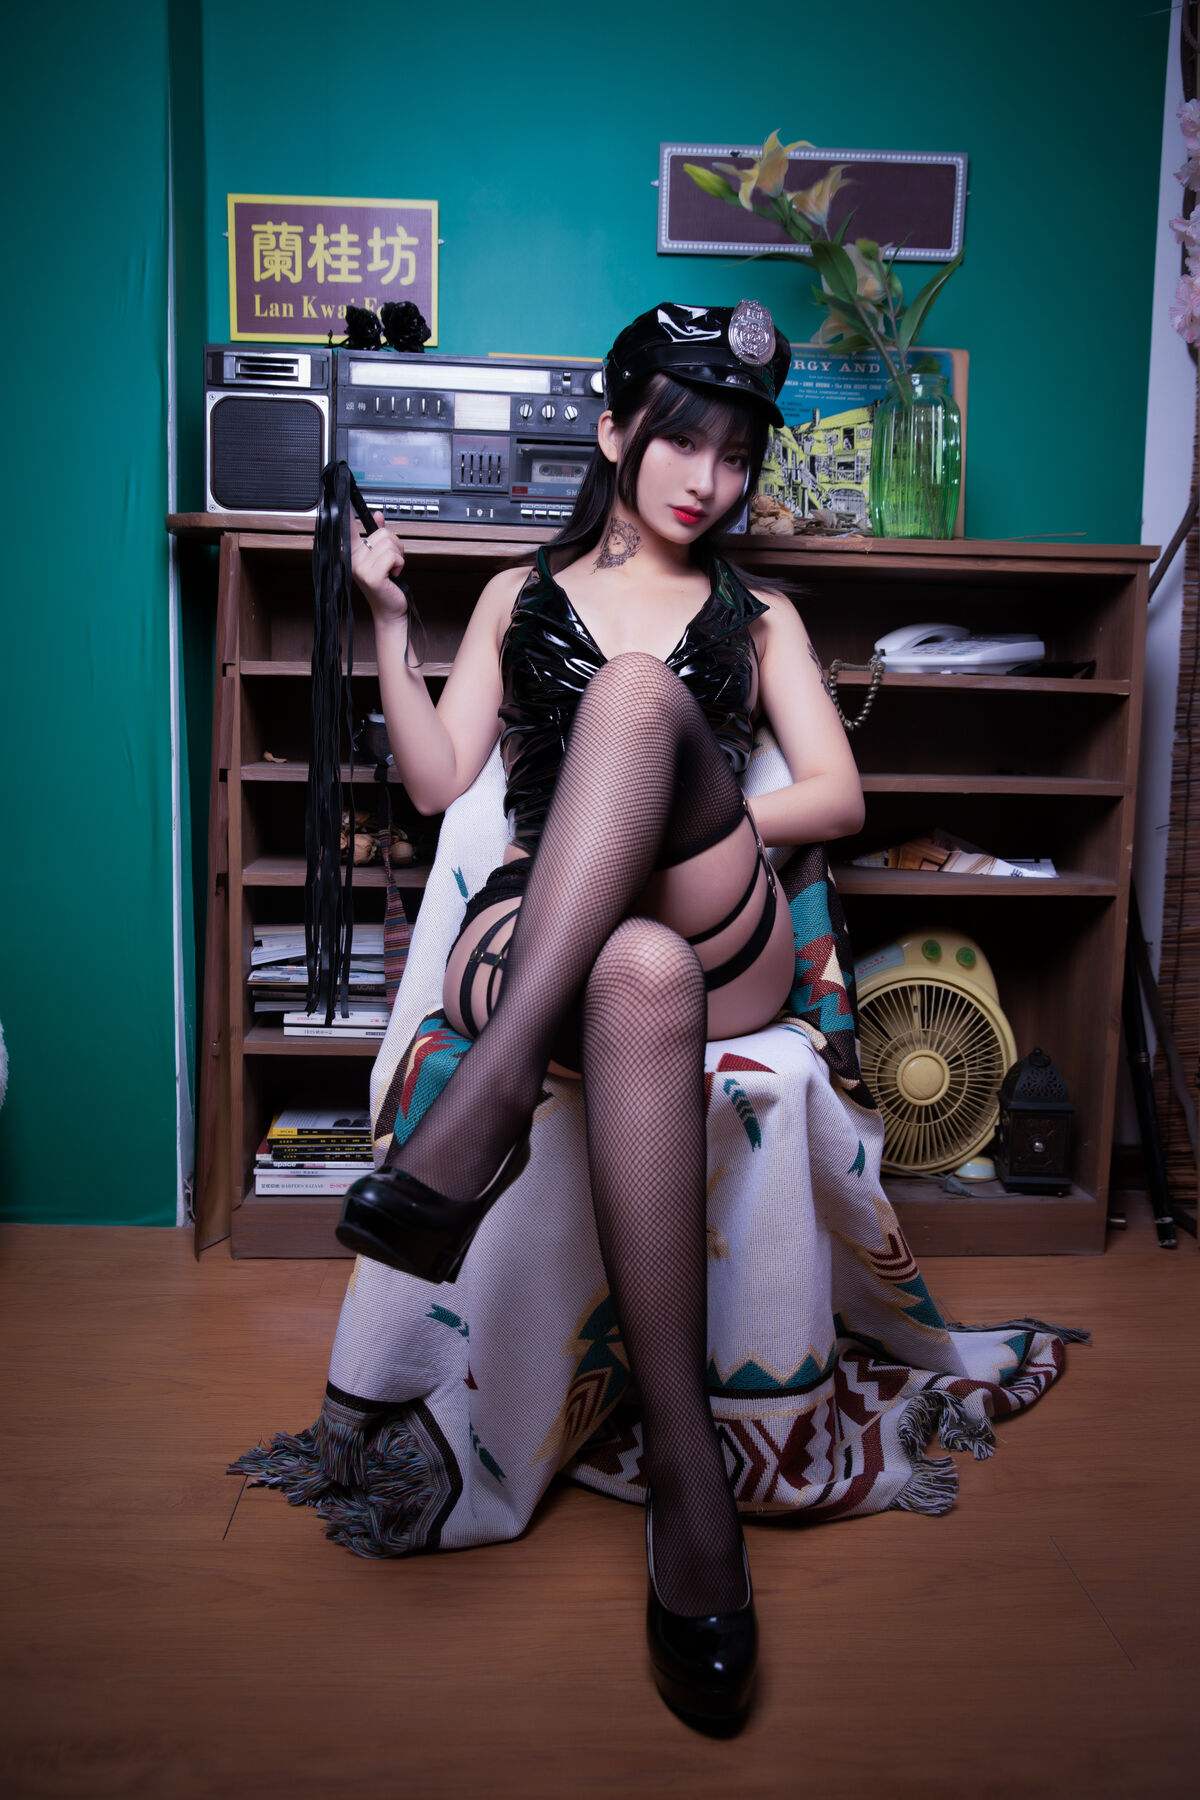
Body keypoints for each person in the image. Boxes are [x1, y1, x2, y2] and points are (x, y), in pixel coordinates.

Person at [336, 300, 864, 1730]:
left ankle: (489, 1099)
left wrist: (690, 814)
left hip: (719, 912)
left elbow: (836, 795)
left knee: (635, 702)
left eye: (738, 454)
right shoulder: (518, 595)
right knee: (634, 971)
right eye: (684, 440)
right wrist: (389, 621)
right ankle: (691, 1491)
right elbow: (441, 780)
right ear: (615, 427)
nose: (710, 479)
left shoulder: (760, 617)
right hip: (565, 939)